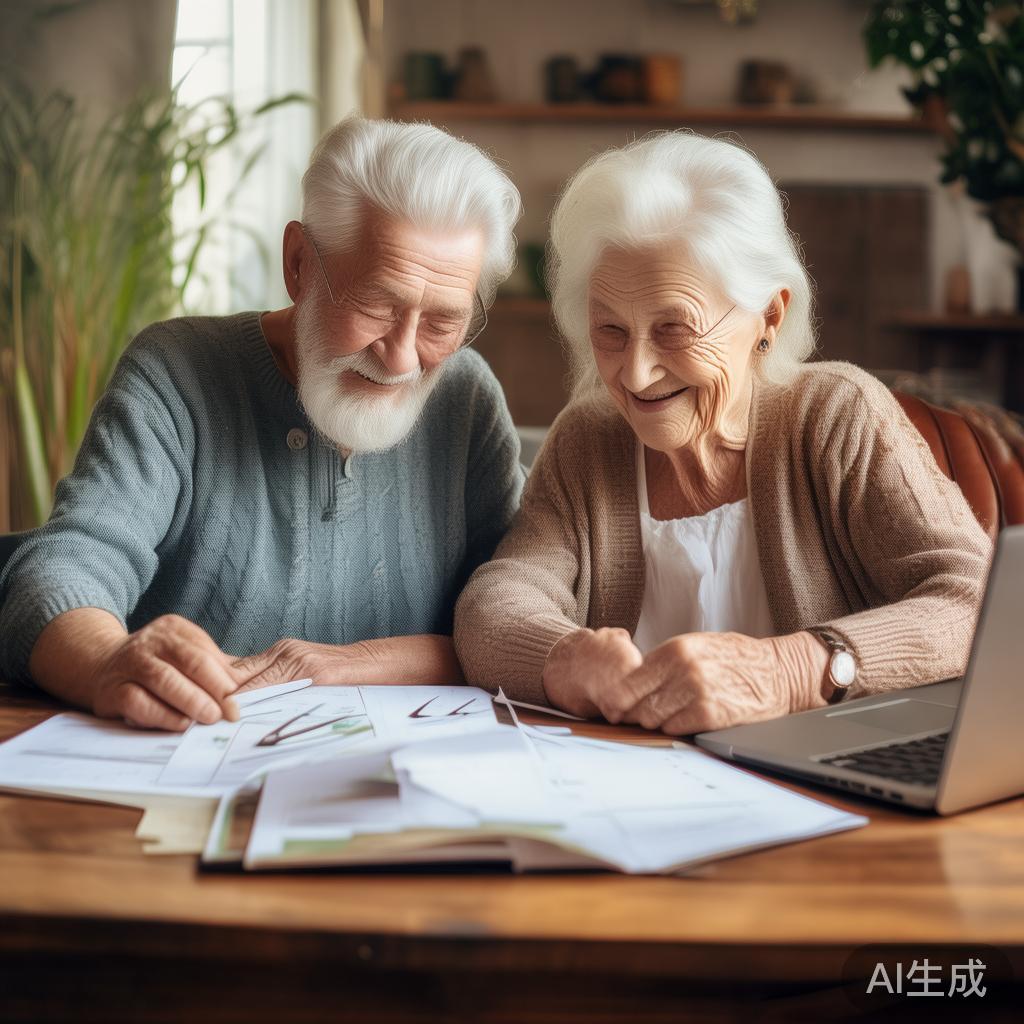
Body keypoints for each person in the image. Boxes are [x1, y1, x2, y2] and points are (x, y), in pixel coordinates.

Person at [454, 131, 992, 735]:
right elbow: (493, 607)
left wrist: (791, 668)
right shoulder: (590, 438)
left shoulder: (837, 416)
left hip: (828, 798)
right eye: (610, 329)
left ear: (769, 316)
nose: (634, 373)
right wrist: (563, 657)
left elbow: (978, 604)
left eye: (673, 329)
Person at [0, 117, 525, 731]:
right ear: (299, 262)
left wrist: (351, 663)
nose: (402, 358)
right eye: (375, 306)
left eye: (442, 323)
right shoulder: (177, 373)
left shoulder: (466, 397)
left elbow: (518, 616)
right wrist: (110, 661)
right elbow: (65, 568)